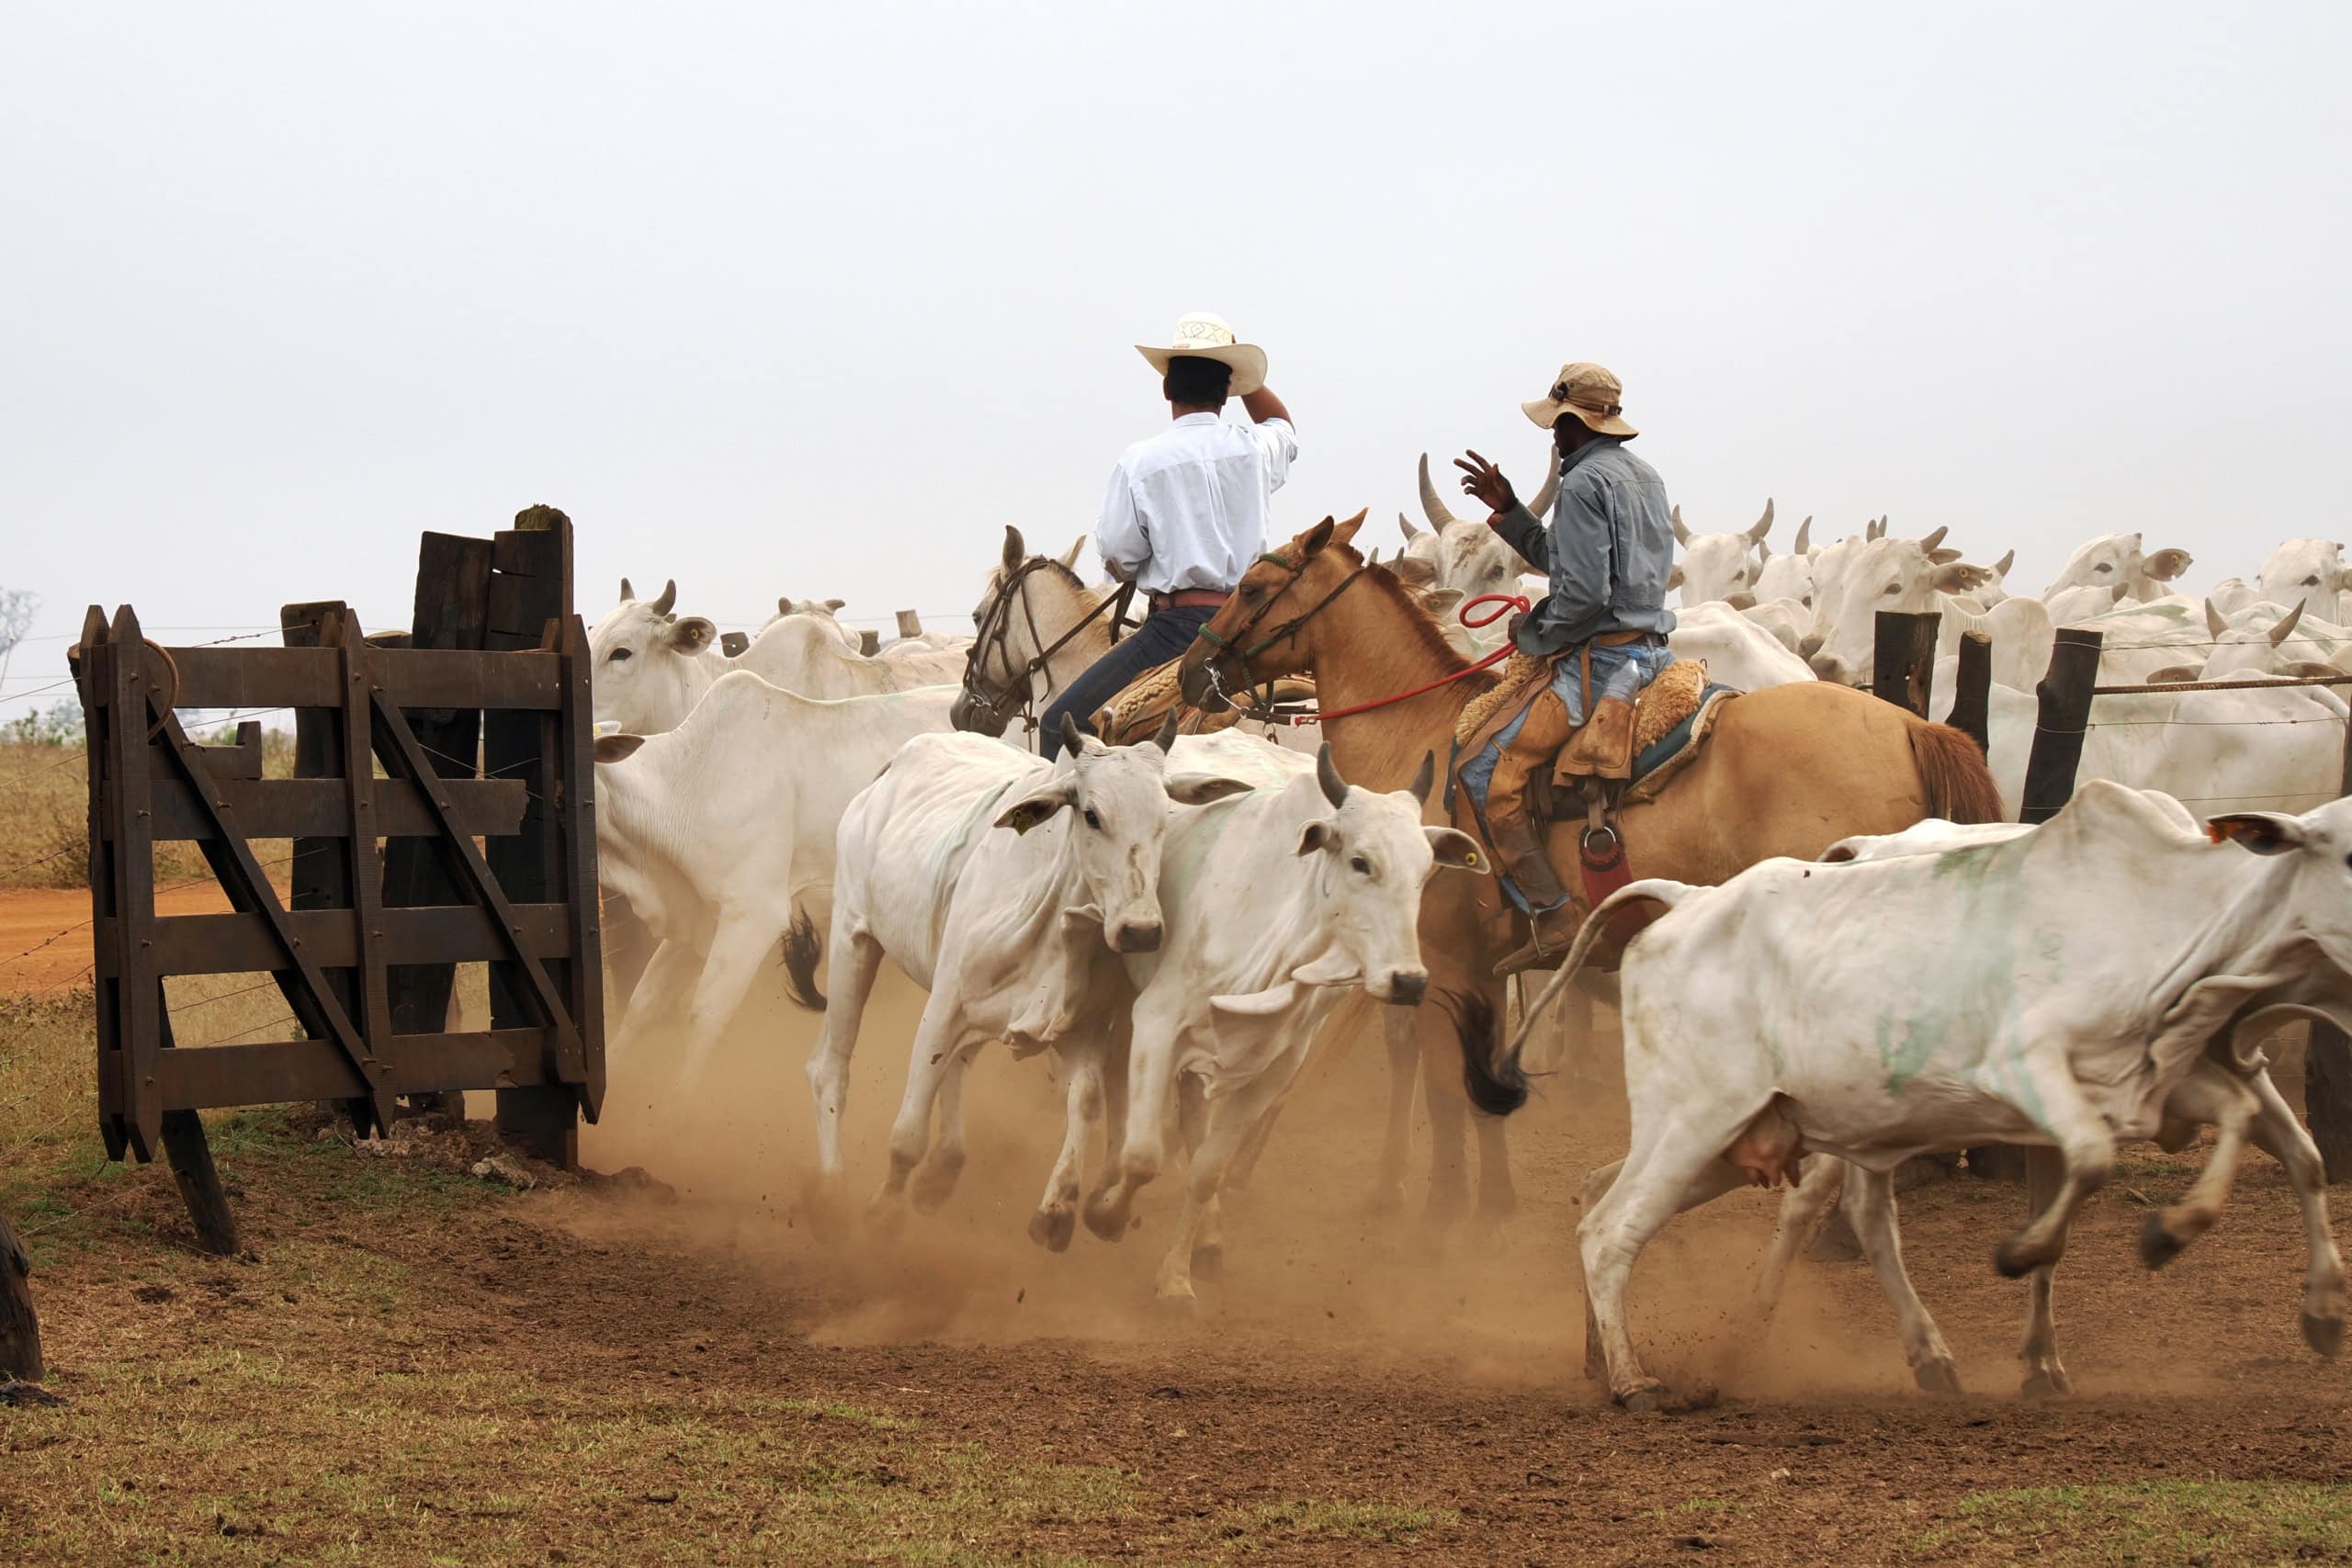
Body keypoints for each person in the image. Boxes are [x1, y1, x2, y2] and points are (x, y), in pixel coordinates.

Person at [1453, 361, 1677, 974]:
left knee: (1481, 769)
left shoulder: (1581, 485)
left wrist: (1530, 633)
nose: (1553, 433)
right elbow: (1571, 560)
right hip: (1654, 652)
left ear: (1576, 421)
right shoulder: (1646, 476)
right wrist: (1510, 511)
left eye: (1558, 423)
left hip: (1602, 664)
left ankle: (1552, 914)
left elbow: (1582, 594)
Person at [1039, 313, 1295, 760]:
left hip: (1177, 631)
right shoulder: (1255, 450)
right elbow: (1283, 426)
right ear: (1228, 393)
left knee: (1060, 725)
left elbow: (1119, 553)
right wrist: (1247, 378)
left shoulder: (1141, 462)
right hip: (1248, 625)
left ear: (1166, 389)